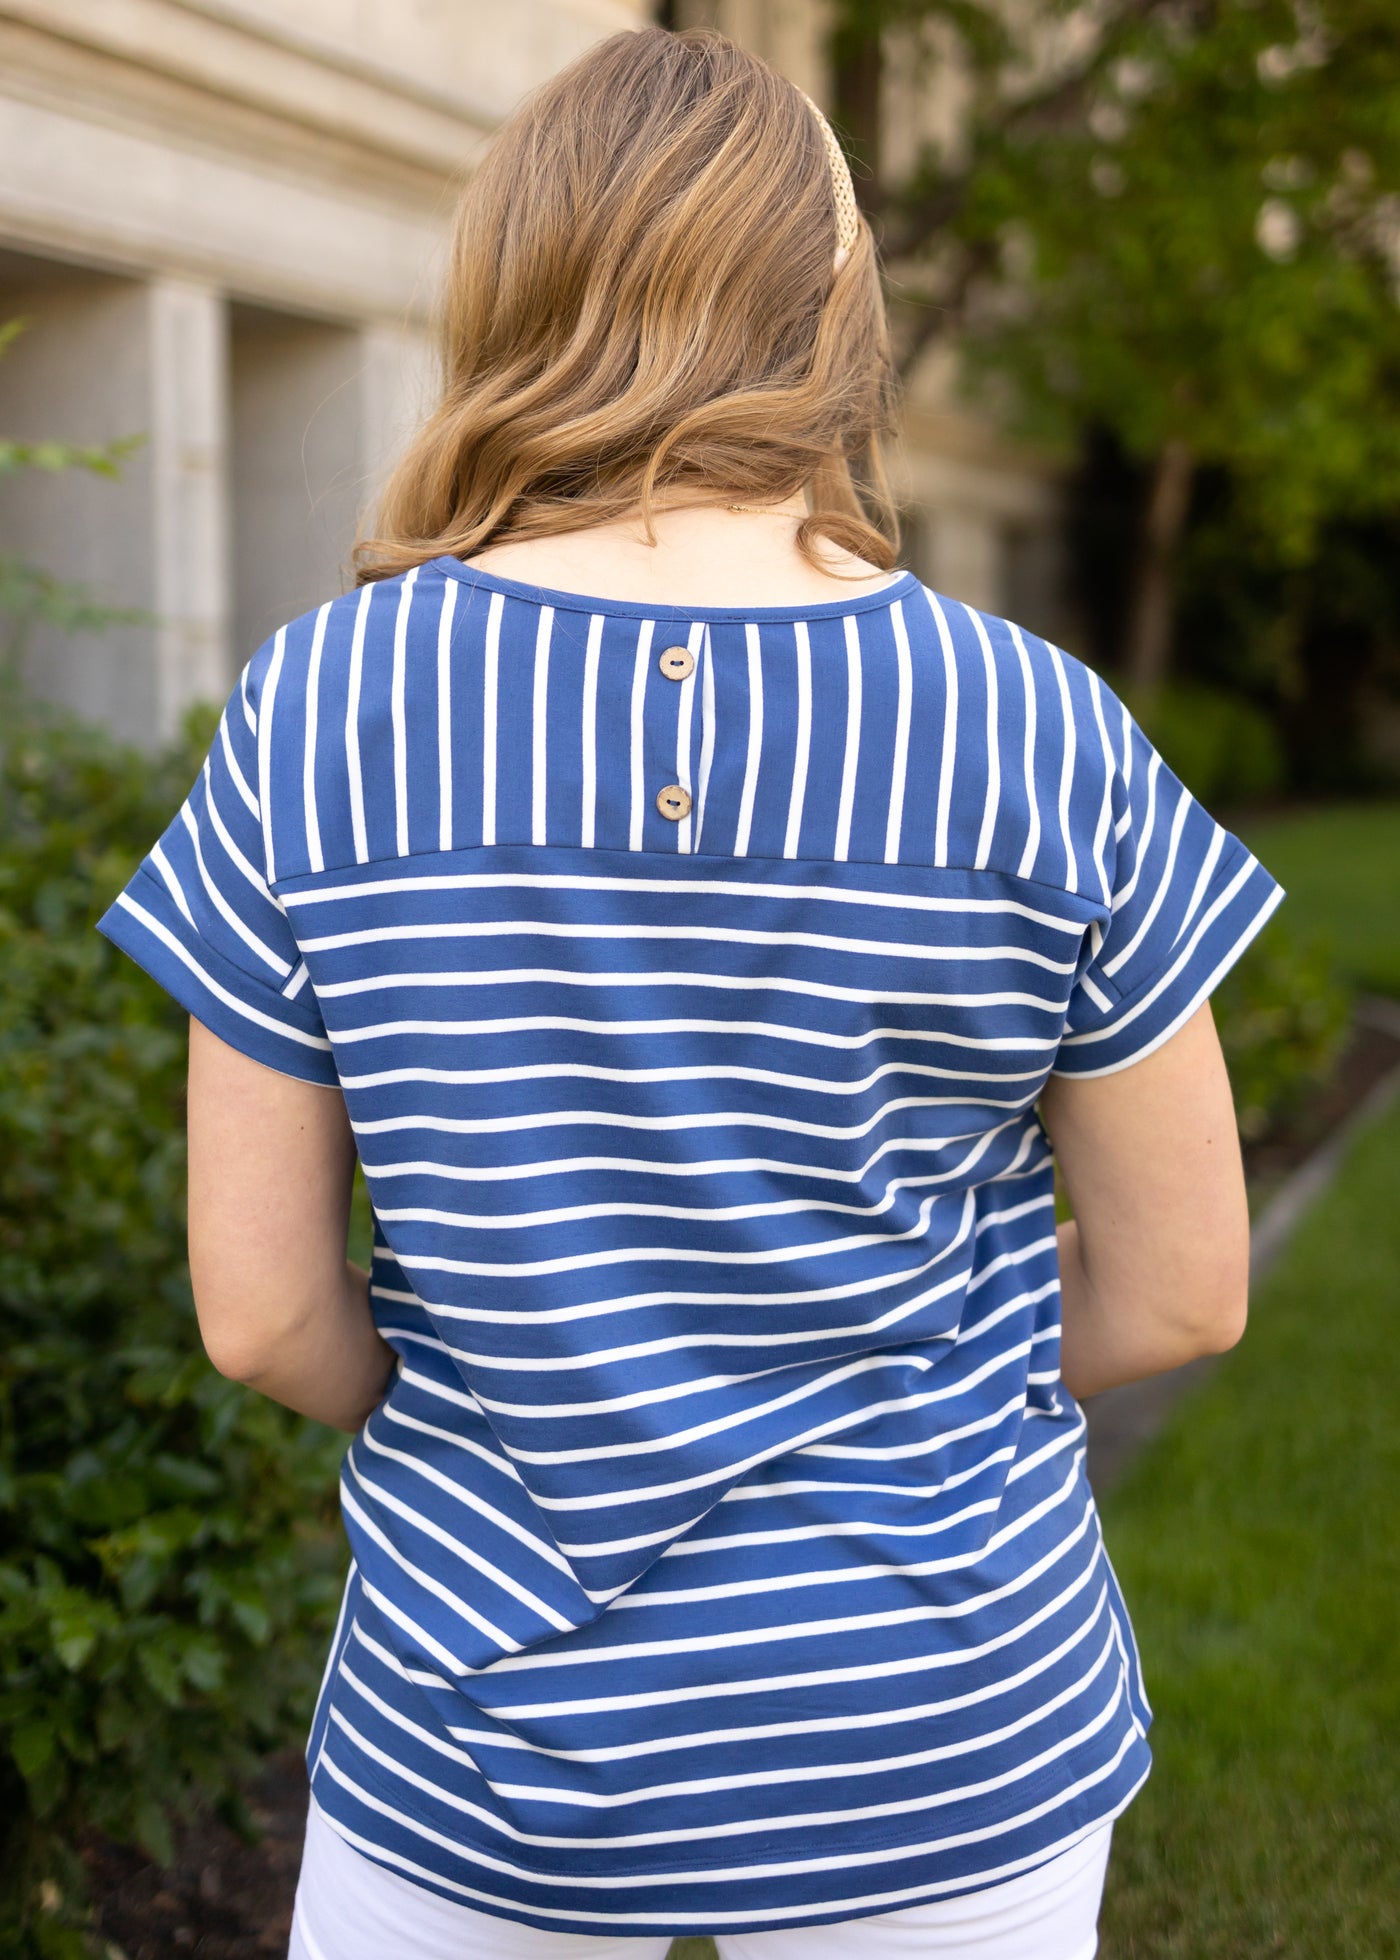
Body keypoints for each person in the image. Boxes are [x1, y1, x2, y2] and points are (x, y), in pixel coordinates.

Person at [98, 26, 1283, 1960]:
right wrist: (898, 1414)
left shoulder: (329, 710)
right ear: (835, 306)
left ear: (515, 286)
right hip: (945, 1739)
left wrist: (527, 1404)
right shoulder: (1031, 727)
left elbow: (260, 1315)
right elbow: (1182, 1285)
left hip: (476, 1747)